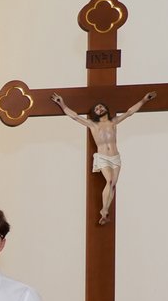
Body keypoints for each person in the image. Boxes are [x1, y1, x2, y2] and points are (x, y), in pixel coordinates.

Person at [52, 91, 157, 224]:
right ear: (94, 113)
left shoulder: (113, 122)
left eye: (101, 107)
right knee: (110, 180)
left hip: (115, 157)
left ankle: (105, 210)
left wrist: (144, 100)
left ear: (106, 109)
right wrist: (62, 103)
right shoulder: (93, 124)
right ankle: (104, 210)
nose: (99, 109)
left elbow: (130, 112)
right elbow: (75, 117)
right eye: (97, 108)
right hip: (103, 157)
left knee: (112, 185)